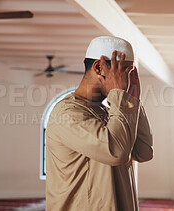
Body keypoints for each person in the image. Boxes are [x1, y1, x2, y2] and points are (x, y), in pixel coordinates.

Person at [45, 36, 153, 211]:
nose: (127, 79)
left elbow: (144, 152)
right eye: (123, 70)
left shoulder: (108, 110)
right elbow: (116, 152)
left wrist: (132, 101)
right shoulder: (67, 113)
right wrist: (120, 95)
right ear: (99, 68)